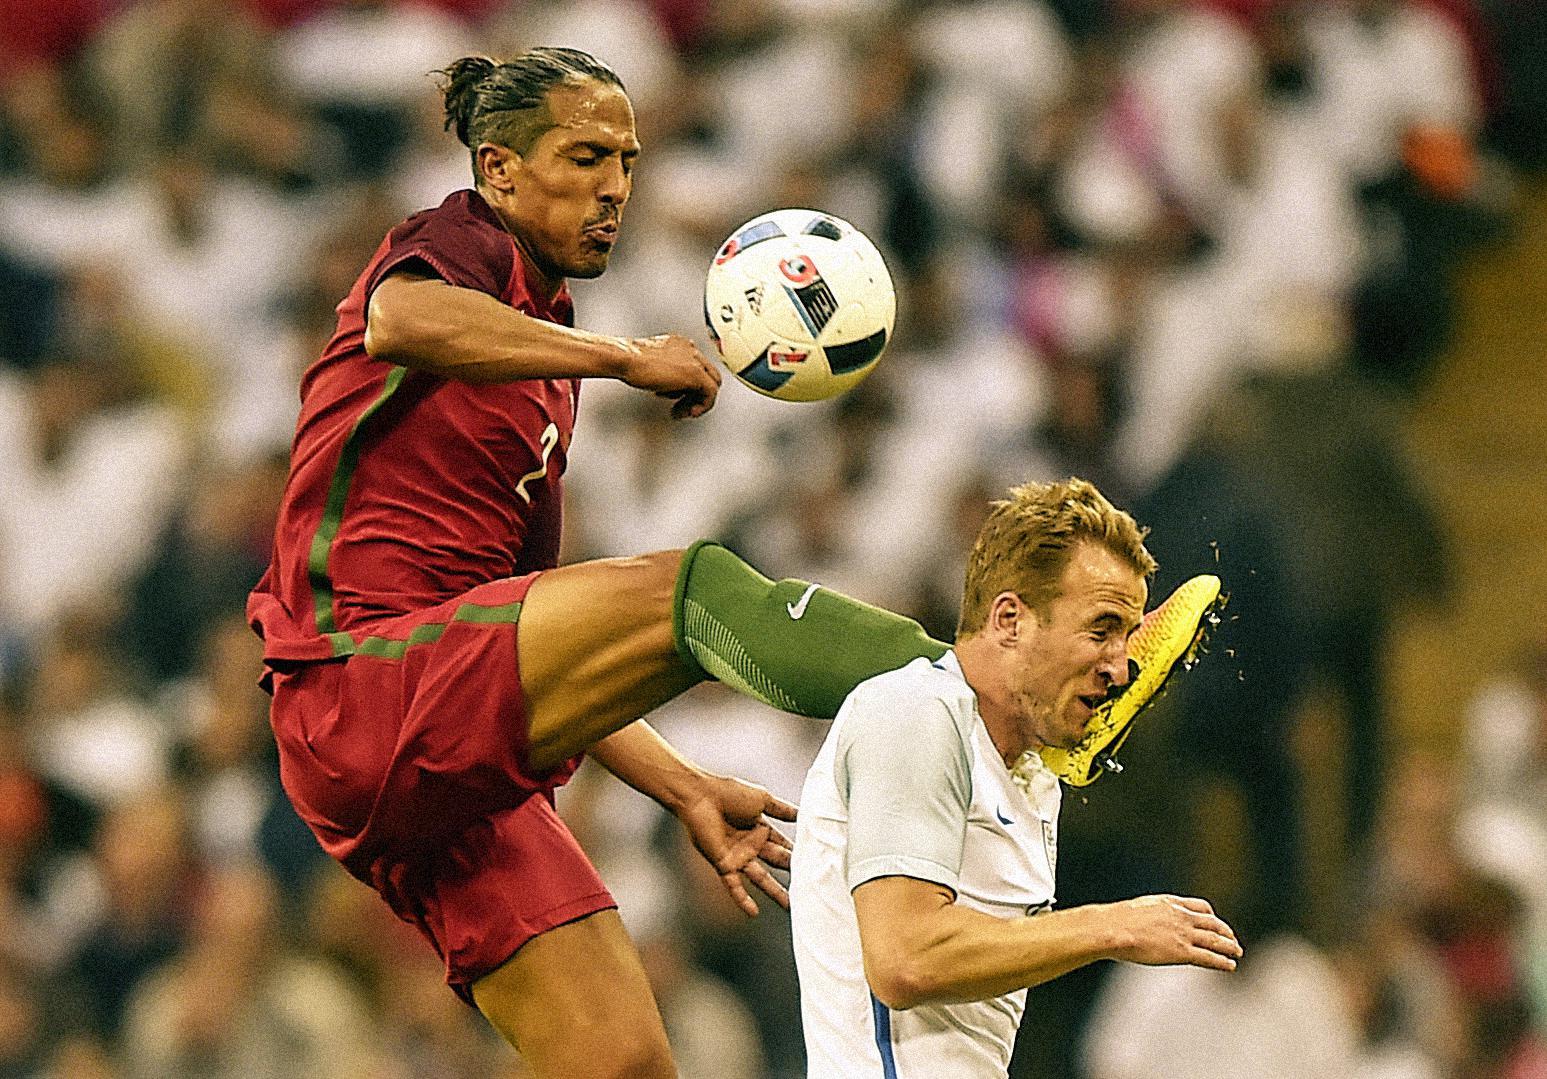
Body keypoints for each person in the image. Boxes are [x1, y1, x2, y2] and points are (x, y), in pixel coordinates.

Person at [245, 48, 950, 1078]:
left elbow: (533, 638)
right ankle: (974, 679)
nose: (615, 186)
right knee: (697, 589)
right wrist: (624, 357)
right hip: (360, 681)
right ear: (499, 169)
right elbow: (402, 318)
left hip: (440, 744)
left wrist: (683, 785)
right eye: (584, 157)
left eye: (626, 160)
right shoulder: (456, 247)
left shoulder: (541, 365)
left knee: (622, 1062)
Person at [789, 478, 1244, 1077]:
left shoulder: (1033, 780)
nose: (1122, 667)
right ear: (1009, 620)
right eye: (1102, 629)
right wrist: (1112, 925)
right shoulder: (915, 711)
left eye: (1127, 637)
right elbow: (905, 959)